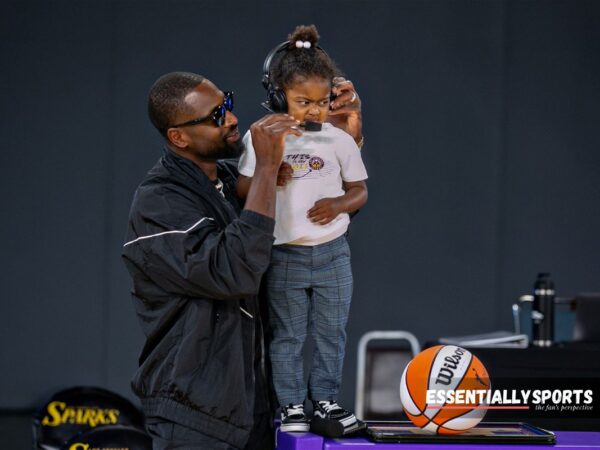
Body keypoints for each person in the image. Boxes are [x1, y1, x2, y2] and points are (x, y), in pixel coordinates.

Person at [122, 70, 362, 449]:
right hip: (195, 418)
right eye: (216, 116)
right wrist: (266, 168)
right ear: (179, 137)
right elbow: (233, 272)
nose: (232, 119)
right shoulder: (159, 202)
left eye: (227, 104)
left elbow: (312, 225)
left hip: (253, 410)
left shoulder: (234, 183)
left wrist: (340, 139)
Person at [236, 25, 368, 435]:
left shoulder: (339, 139)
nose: (314, 111)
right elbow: (241, 187)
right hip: (285, 253)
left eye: (321, 101)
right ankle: (292, 405)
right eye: (301, 102)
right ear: (278, 95)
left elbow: (359, 190)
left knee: (332, 333)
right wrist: (268, 171)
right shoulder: (263, 135)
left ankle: (325, 399)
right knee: (289, 335)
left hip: (332, 253)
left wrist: (340, 204)